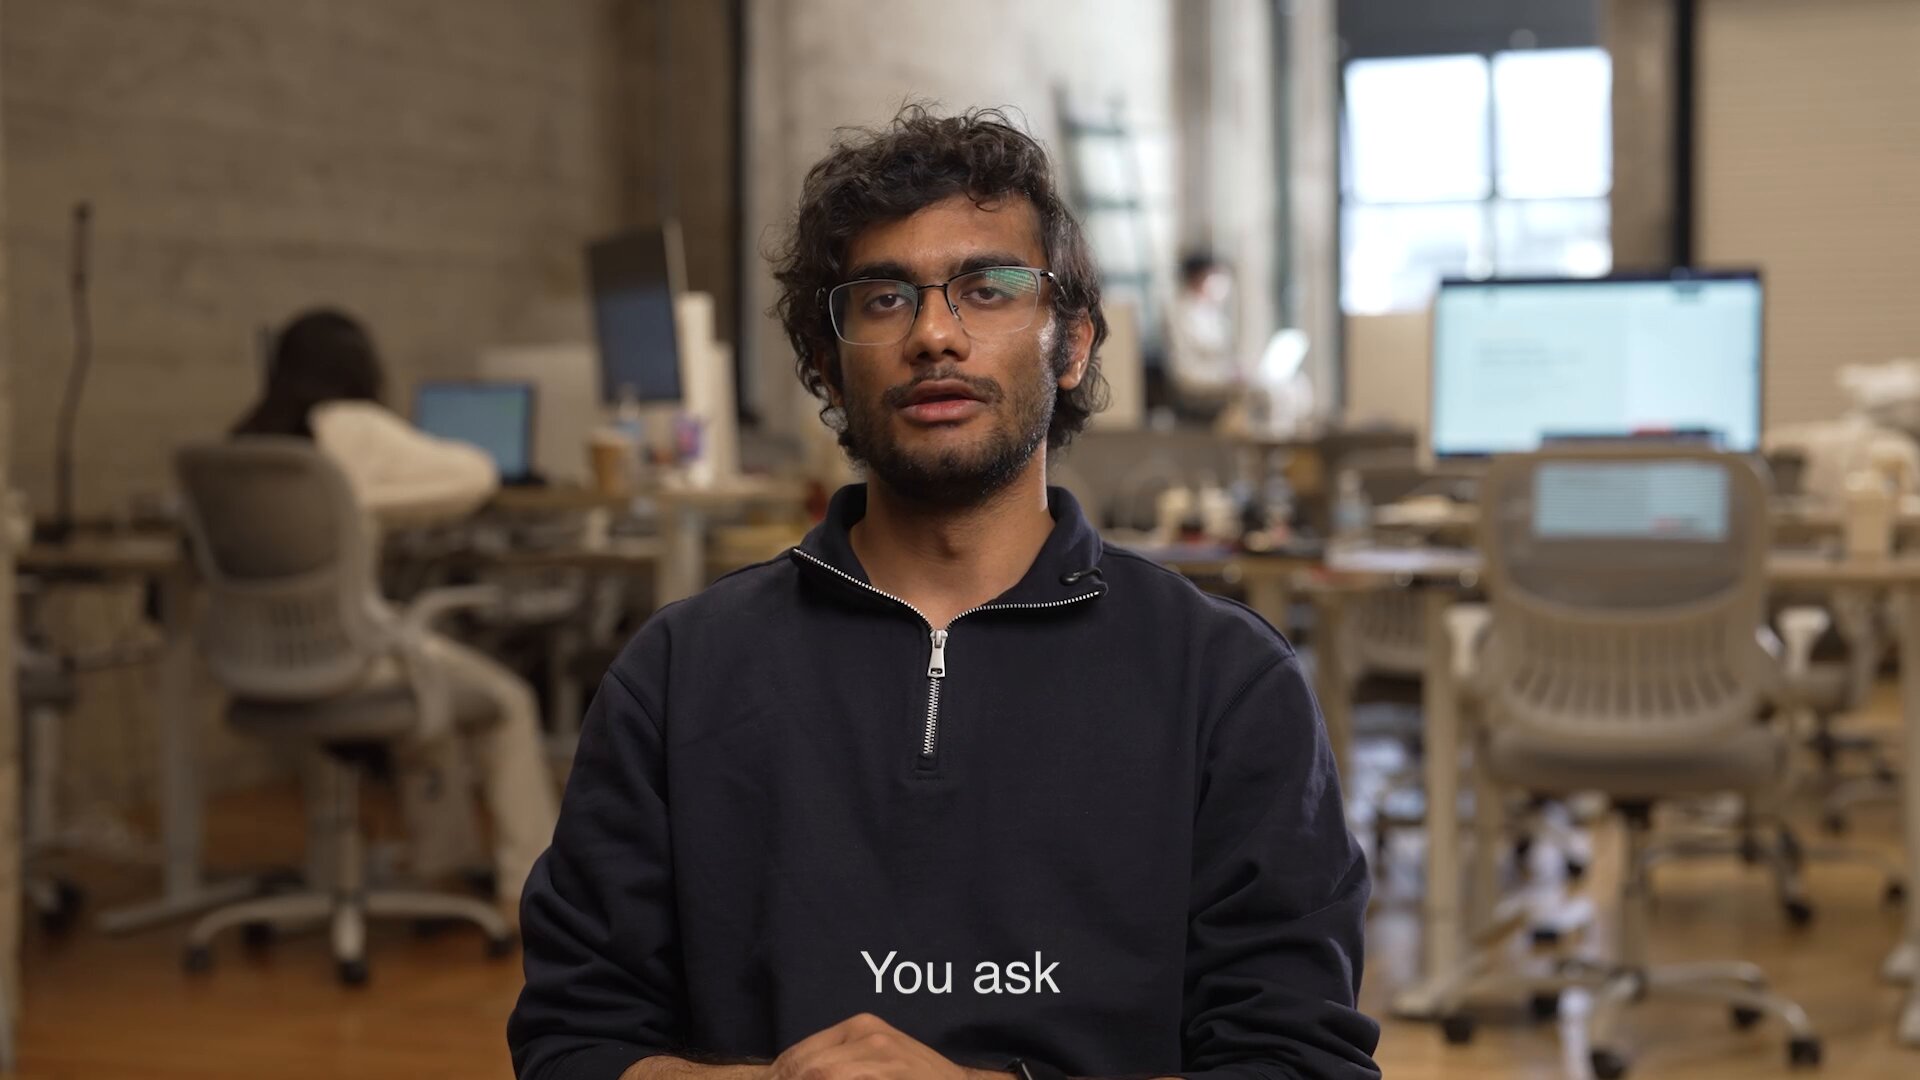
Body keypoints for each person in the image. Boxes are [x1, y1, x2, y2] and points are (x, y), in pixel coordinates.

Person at [509, 107, 1379, 1080]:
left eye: (987, 289)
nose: (933, 333)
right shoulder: (680, 676)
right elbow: (572, 1042)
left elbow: (1298, 1063)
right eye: (884, 298)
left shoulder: (1225, 682)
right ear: (827, 364)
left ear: (1073, 345)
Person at [234, 309, 559, 919]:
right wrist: (370, 498)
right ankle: (531, 888)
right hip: (350, 656)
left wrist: (355, 502)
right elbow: (477, 474)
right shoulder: (352, 425)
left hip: (254, 663)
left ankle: (441, 866)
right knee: (507, 700)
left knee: (429, 683)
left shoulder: (246, 444)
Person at [1168, 251, 1245, 418]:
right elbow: (1187, 369)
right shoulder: (1181, 313)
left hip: (1216, 383)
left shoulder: (1211, 311)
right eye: (1213, 276)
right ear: (1198, 278)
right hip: (1195, 392)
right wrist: (1226, 377)